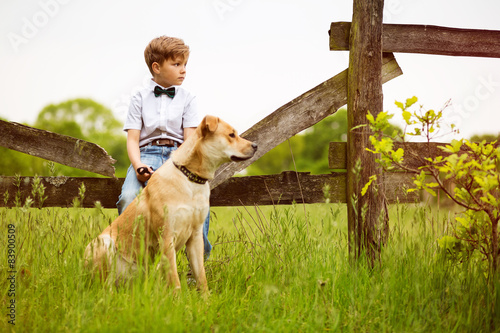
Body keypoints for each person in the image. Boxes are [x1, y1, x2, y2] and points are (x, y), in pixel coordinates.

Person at [116, 36, 212, 258]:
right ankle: (134, 256)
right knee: (128, 197)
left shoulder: (188, 98)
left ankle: (199, 259)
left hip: (178, 158)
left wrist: (180, 167)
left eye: (185, 65)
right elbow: (132, 139)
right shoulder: (139, 97)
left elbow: (190, 140)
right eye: (177, 64)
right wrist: (138, 165)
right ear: (156, 67)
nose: (183, 70)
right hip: (146, 154)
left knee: (199, 203)